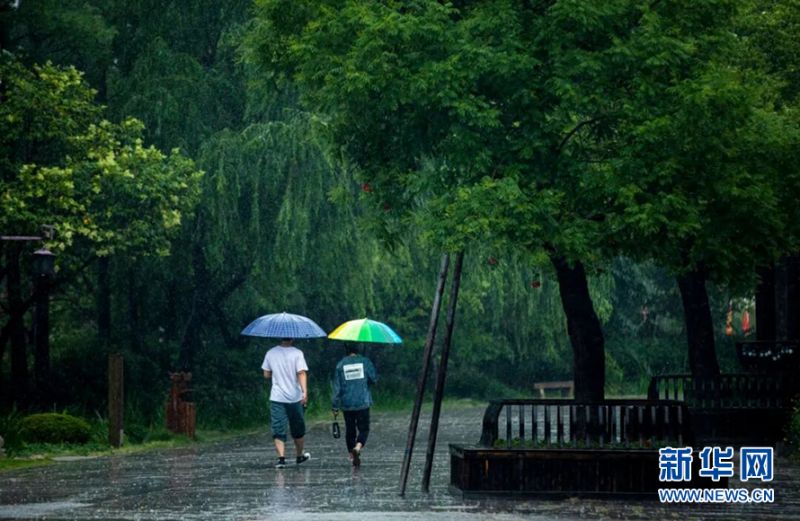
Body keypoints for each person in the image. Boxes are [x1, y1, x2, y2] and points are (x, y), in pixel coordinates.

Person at [262, 338, 311, 468]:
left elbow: (266, 374)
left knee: (278, 427)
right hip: (295, 397)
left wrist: (277, 371)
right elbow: (301, 373)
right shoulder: (297, 353)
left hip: (277, 397)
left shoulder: (270, 353)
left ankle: (281, 459)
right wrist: (304, 392)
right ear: (292, 338)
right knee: (298, 427)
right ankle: (299, 455)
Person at [332, 344, 378, 466]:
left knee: (350, 430)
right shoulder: (365, 362)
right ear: (358, 350)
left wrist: (335, 406)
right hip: (362, 401)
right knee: (364, 428)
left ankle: (352, 457)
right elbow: (373, 379)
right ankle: (357, 447)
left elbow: (337, 388)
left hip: (347, 403)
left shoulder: (340, 365)